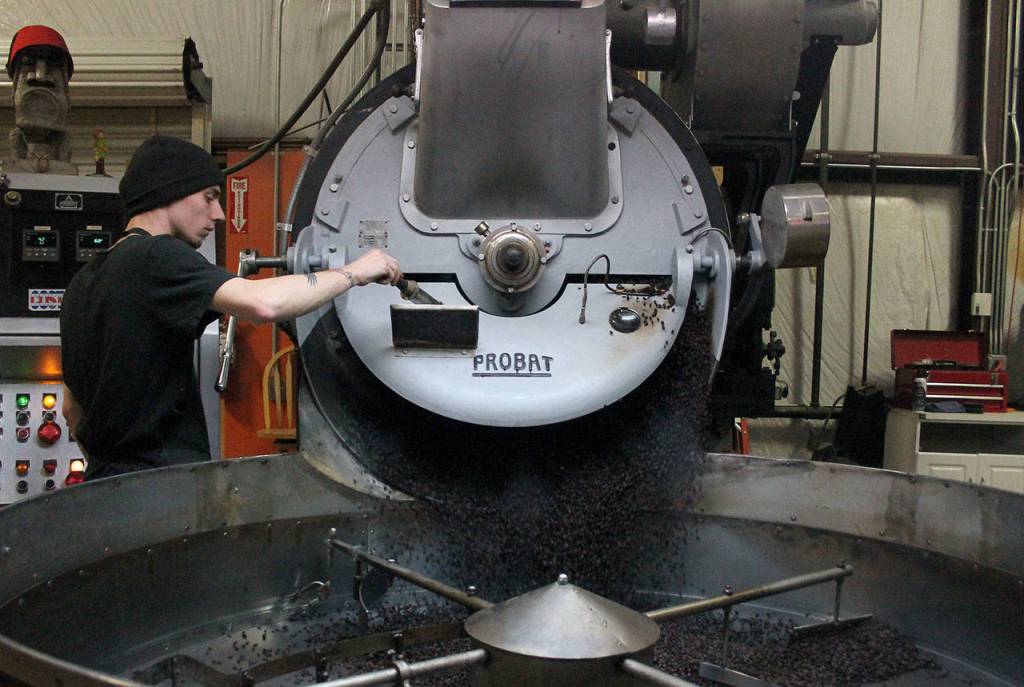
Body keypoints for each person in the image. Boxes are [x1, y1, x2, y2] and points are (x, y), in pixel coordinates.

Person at [60, 135, 401, 480]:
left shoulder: (84, 282)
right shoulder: (156, 256)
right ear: (168, 192)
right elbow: (265, 303)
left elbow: (71, 408)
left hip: (102, 486)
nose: (219, 214)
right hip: (159, 487)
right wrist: (355, 272)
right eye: (209, 197)